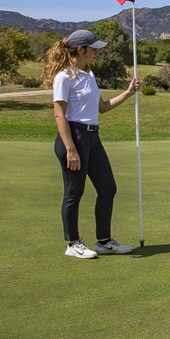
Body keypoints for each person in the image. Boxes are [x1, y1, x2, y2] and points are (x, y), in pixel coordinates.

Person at [43, 29, 139, 259]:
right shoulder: (63, 77)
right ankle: (73, 243)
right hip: (73, 137)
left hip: (93, 137)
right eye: (94, 49)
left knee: (108, 188)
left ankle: (104, 242)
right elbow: (59, 115)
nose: (97, 52)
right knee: (74, 191)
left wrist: (127, 93)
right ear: (81, 50)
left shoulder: (89, 76)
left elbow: (102, 107)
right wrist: (70, 149)